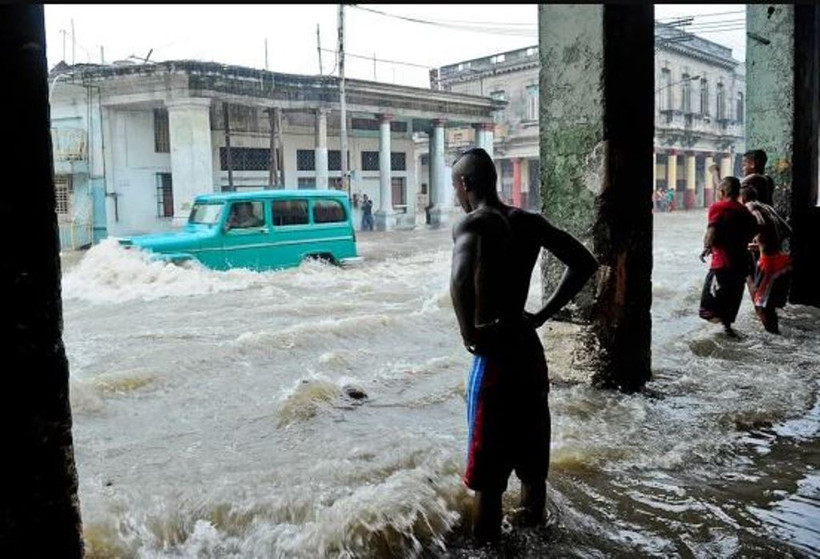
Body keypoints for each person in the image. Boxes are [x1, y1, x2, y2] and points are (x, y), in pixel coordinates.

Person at [449, 147, 598, 543]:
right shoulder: (529, 222)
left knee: (488, 481)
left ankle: (488, 551)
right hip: (528, 349)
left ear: (465, 184)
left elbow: (460, 282)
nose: (456, 197)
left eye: (455, 188)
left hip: (493, 353)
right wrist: (543, 314)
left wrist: (469, 335)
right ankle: (538, 544)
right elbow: (584, 262)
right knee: (533, 467)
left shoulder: (474, 224)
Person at [698, 176, 757, 337]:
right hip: (741, 265)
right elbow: (754, 228)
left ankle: (716, 338)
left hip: (722, 265)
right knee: (730, 306)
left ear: (722, 191)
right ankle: (727, 331)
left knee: (707, 309)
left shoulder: (718, 207)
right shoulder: (744, 210)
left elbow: (712, 231)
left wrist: (707, 246)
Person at [740, 176, 792, 334]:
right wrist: (761, 243)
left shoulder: (750, 207)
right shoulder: (767, 207)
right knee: (768, 307)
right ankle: (775, 338)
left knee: (762, 308)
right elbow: (788, 230)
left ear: (742, 197)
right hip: (782, 259)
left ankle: (777, 344)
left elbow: (759, 222)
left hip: (769, 263)